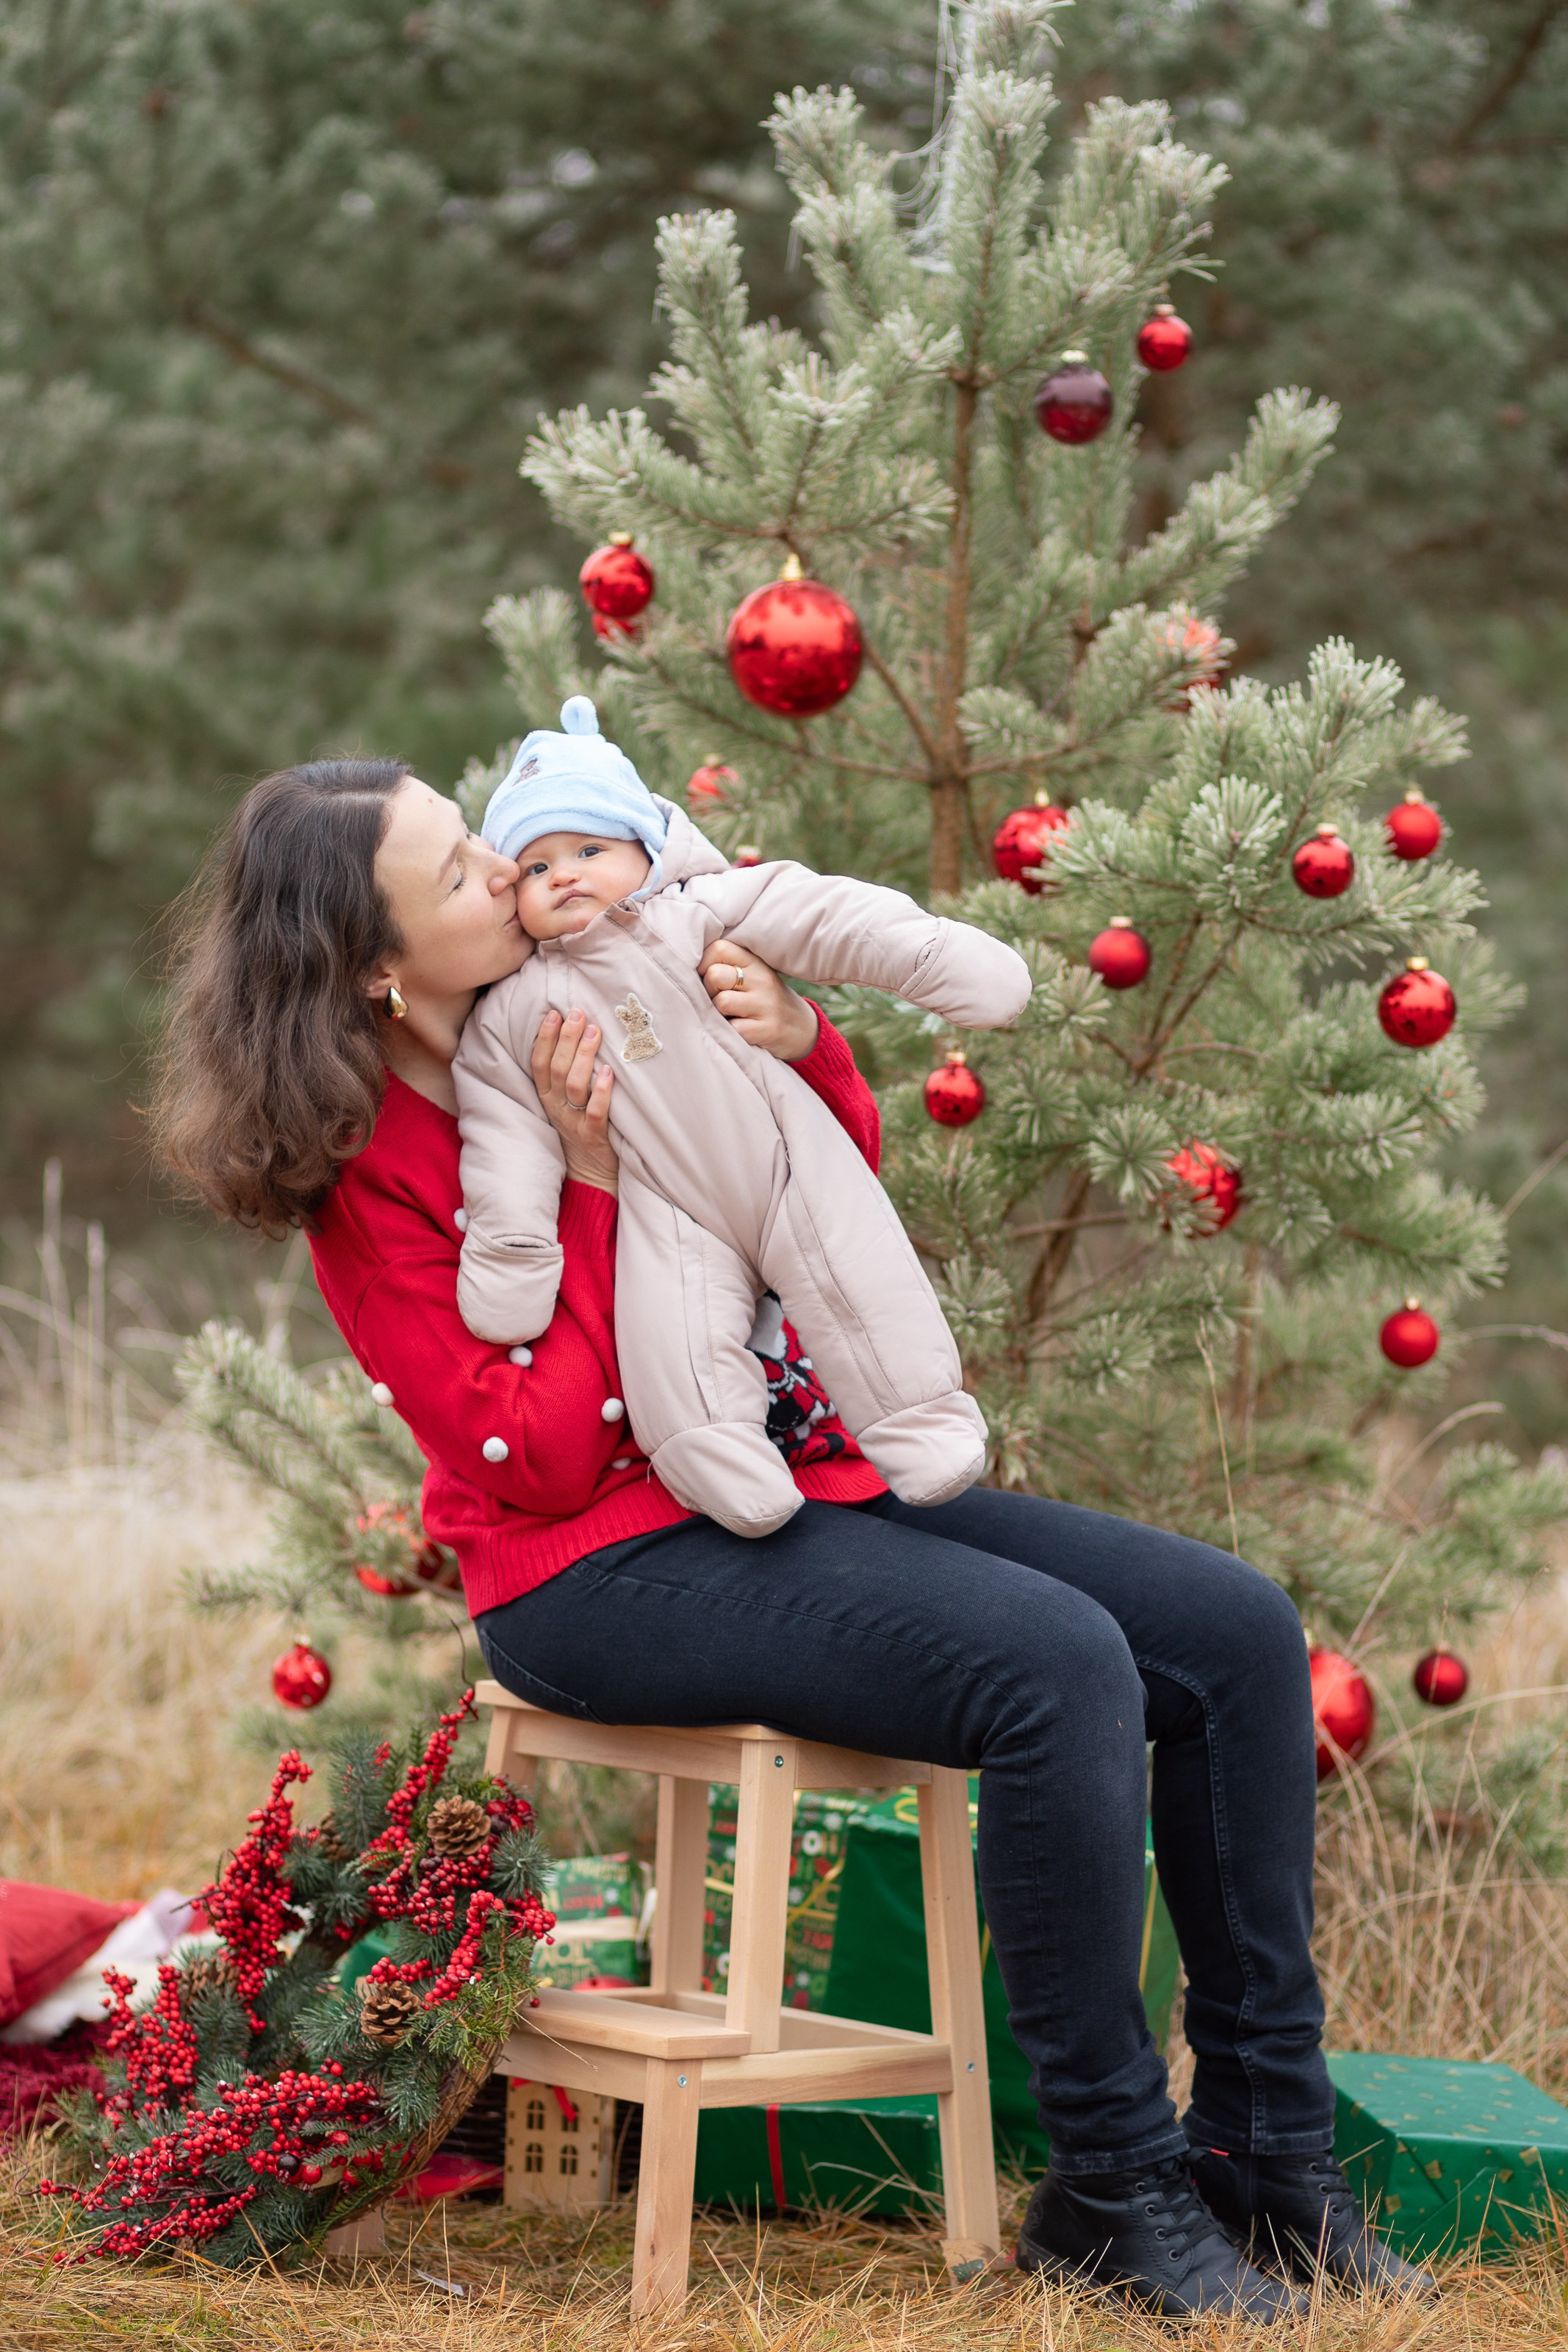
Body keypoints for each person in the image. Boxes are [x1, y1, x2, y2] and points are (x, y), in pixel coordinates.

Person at [151, 755, 1434, 2321]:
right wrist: (605, 1182)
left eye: (481, 839)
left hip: (776, 1477)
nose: (505, 867)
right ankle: (1112, 2178)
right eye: (457, 870)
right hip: (591, 1571)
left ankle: (1268, 2156)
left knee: (1230, 1631)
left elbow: (810, 1184)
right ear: (374, 962)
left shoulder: (608, 949)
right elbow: (545, 1457)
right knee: (1054, 1669)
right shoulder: (369, 1162)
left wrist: (799, 1036)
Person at [453, 697, 1029, 1538]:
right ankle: (722, 1463)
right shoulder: (514, 1007)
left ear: (644, 846)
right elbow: (501, 1133)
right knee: (673, 1340)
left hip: (787, 1159)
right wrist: (512, 1246)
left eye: (588, 849)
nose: (565, 874)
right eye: (536, 868)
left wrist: (938, 959)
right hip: (668, 1204)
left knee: (861, 1283)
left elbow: (838, 919)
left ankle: (921, 1427)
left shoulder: (706, 909)